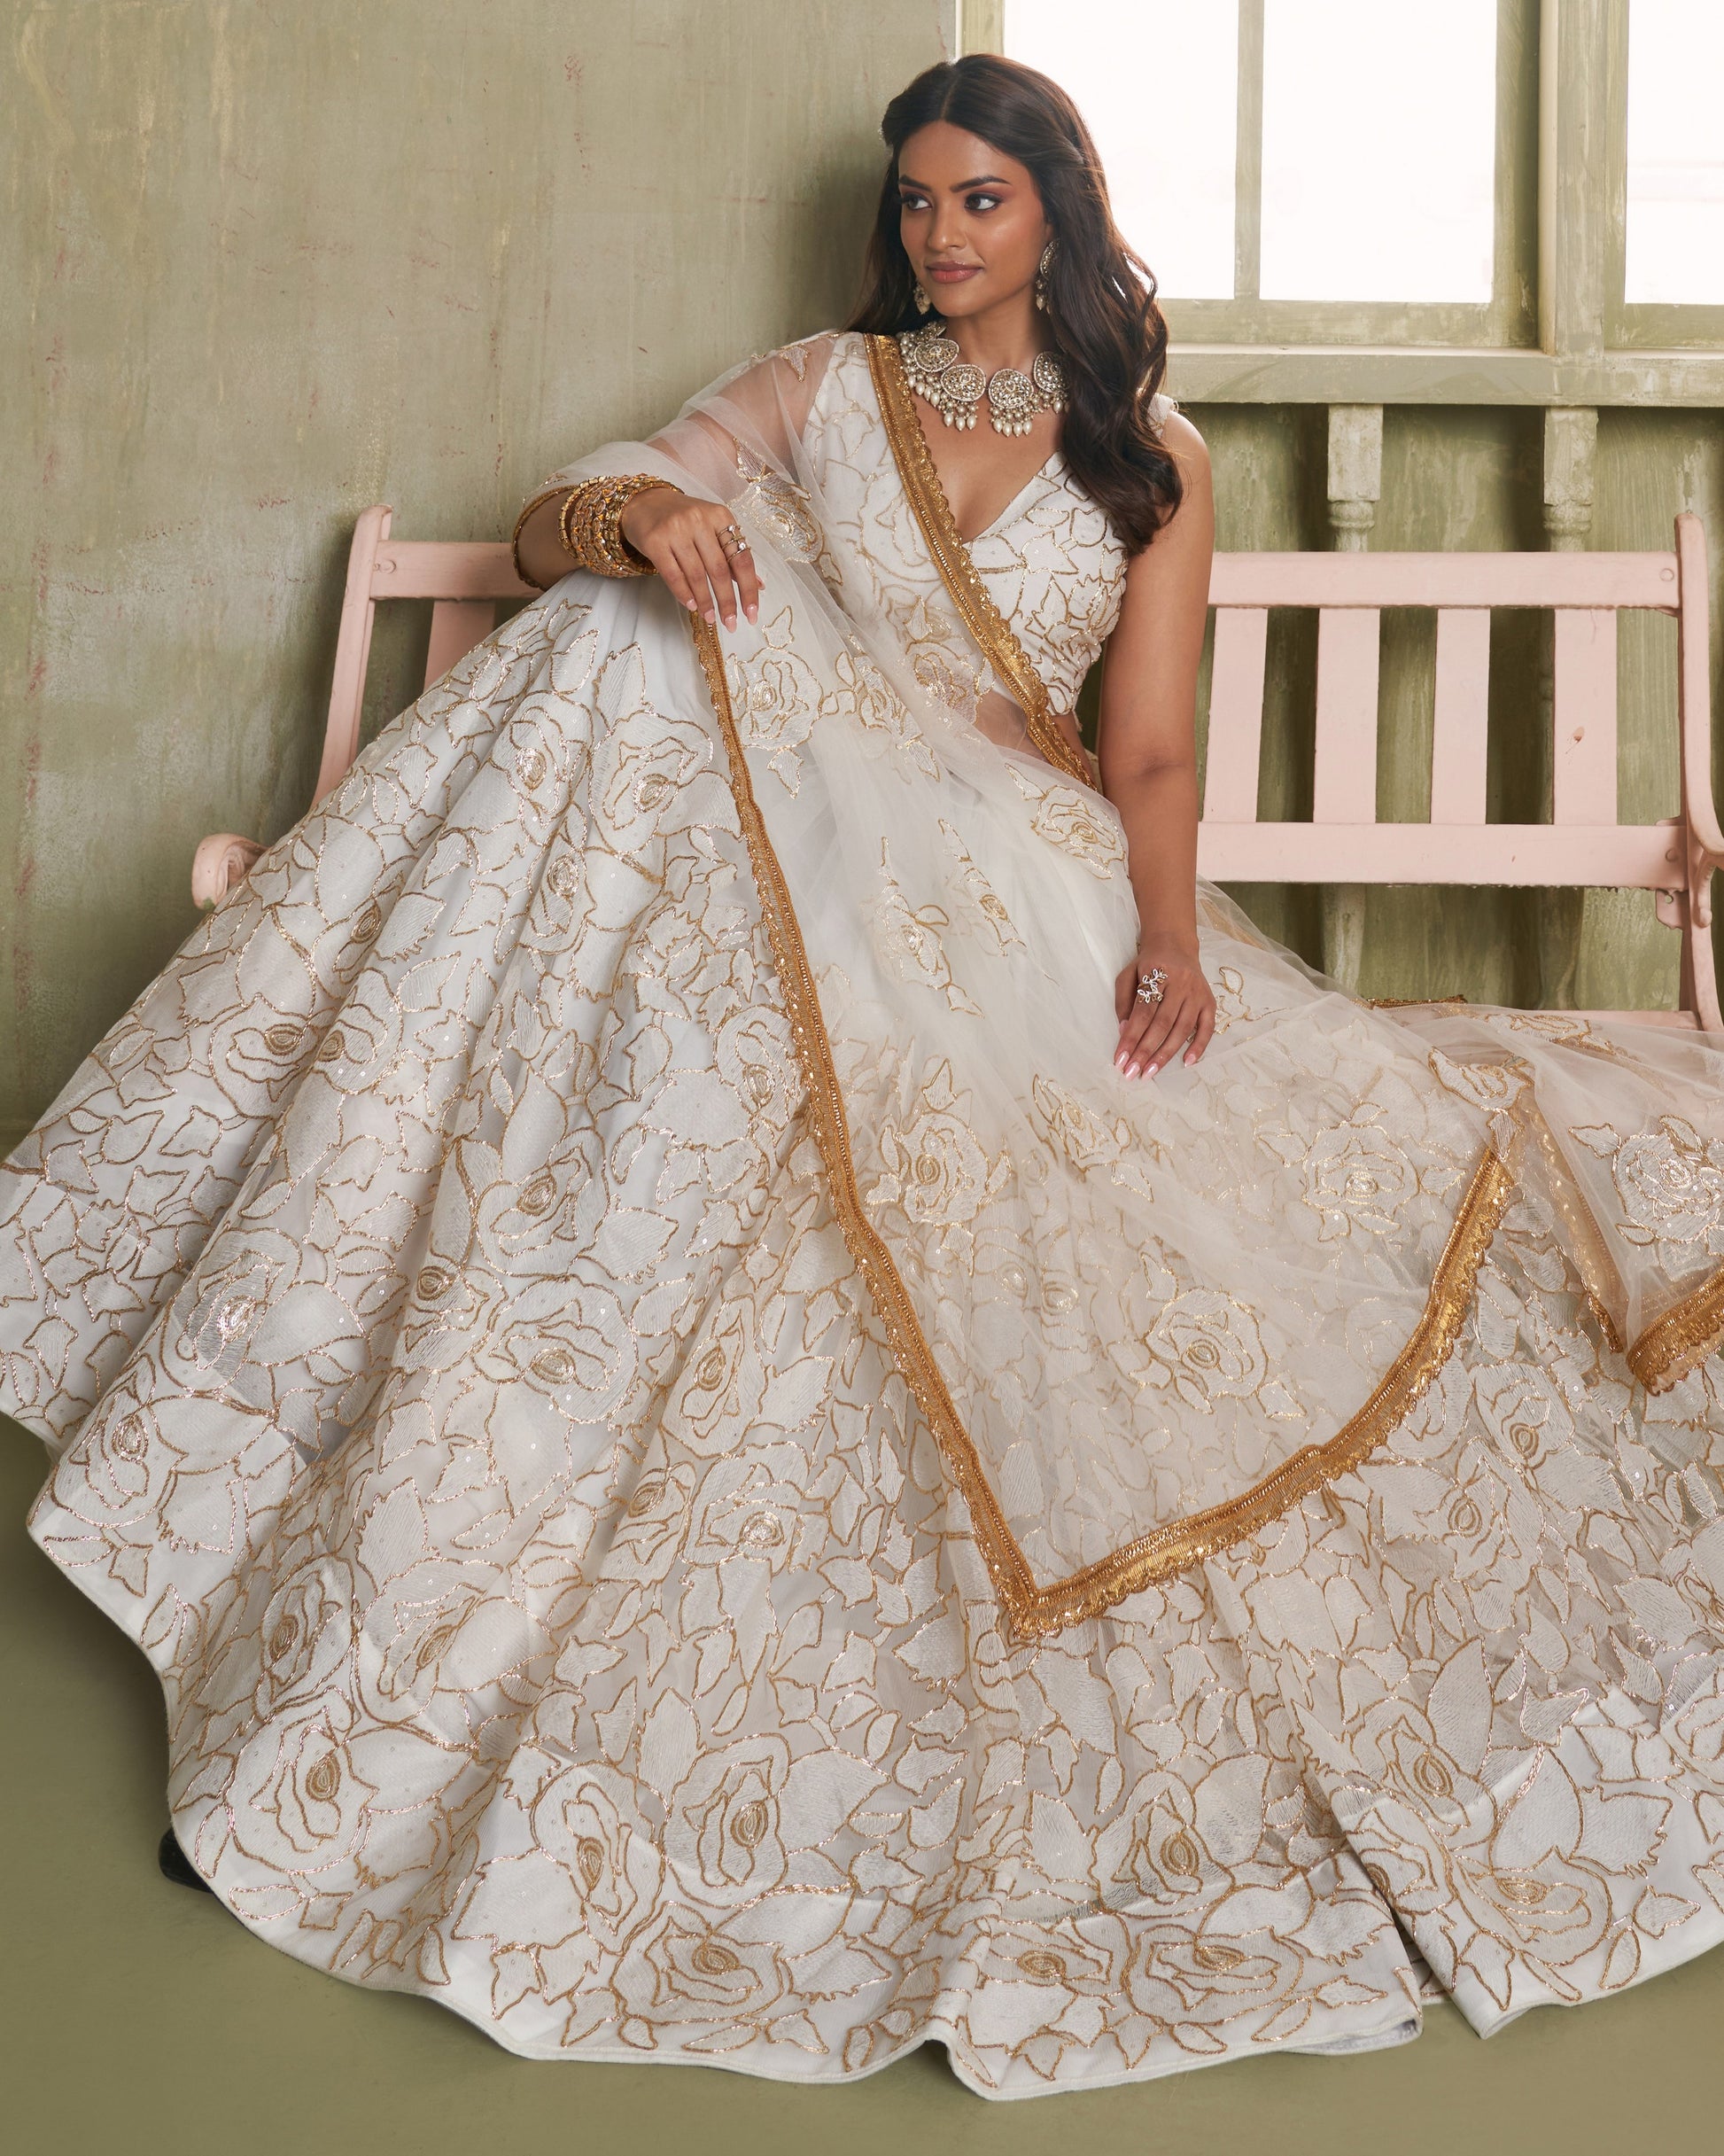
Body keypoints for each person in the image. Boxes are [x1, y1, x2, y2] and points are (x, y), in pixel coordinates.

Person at [5, 51, 1724, 2100]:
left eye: (980, 198)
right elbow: (572, 516)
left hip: (1004, 884)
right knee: (620, 639)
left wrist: (1171, 938)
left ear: (1058, 208)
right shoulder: (824, 386)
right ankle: (405, 1559)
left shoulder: (1150, 461)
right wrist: (643, 510)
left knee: (713, 754)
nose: (939, 233)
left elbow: (1148, 749)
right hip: (761, 883)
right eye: (916, 199)